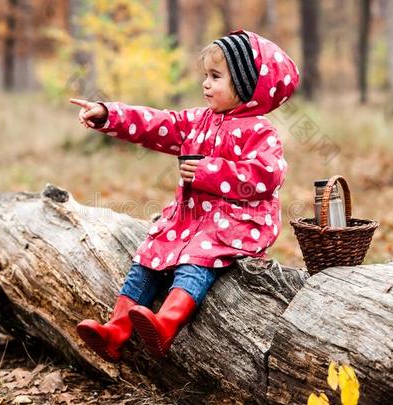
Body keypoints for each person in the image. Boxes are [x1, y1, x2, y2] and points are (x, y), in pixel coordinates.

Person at [70, 29, 299, 362]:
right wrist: (110, 115)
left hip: (236, 223)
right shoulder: (198, 120)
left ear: (245, 85)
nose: (205, 83)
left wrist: (209, 172)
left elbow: (267, 177)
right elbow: (158, 123)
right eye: (205, 75)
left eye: (216, 77)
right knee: (150, 253)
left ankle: (165, 325)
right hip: (193, 217)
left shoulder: (259, 131)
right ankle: (116, 330)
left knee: (195, 258)